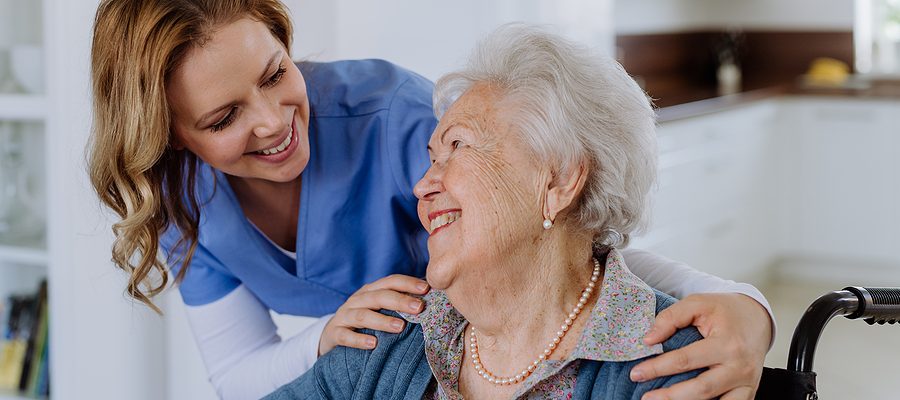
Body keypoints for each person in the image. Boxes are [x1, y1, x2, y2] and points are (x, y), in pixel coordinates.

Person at [88, 1, 773, 399]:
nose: (272, 121)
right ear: (171, 139)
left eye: (277, 74)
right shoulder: (183, 201)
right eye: (221, 119)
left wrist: (744, 306)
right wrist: (328, 339)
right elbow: (240, 374)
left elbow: (567, 240)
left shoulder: (396, 118)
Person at [267, 24, 718, 400]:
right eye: (430, 158)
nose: (421, 186)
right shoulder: (386, 339)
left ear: (558, 181)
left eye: (457, 146)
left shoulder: (670, 366)